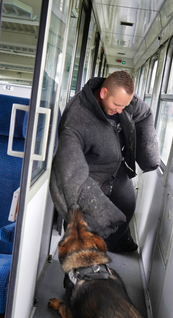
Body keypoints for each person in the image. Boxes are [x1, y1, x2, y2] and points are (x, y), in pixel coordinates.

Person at [50, 71, 160, 252]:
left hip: (116, 168)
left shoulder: (122, 101)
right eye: (117, 106)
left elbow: (144, 113)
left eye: (123, 107)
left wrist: (149, 157)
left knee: (127, 206)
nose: (120, 111)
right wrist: (100, 210)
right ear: (103, 93)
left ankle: (116, 243)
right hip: (88, 172)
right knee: (83, 221)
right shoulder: (76, 118)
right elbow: (71, 174)